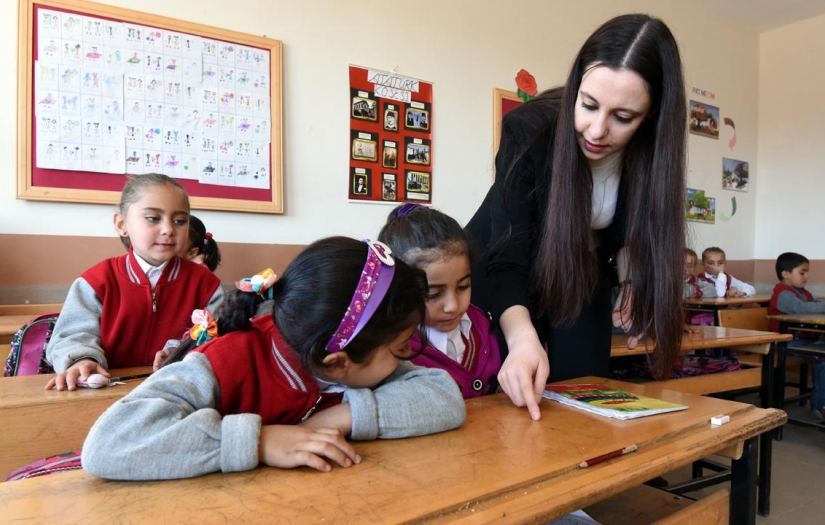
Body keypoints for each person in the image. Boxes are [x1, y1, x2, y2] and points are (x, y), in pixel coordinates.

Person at [81, 237, 466, 480]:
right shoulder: (224, 361)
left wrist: (343, 415)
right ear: (337, 362)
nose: (406, 358)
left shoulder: (350, 357)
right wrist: (260, 441)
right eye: (401, 349)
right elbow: (108, 446)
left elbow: (445, 399)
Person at [464, 14, 687, 420]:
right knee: (508, 395)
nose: (596, 130)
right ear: (575, 87)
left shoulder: (653, 157)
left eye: (623, 117)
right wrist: (522, 337)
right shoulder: (529, 131)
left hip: (579, 271)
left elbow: (630, 230)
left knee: (585, 391)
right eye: (587, 105)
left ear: (651, 116)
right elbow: (508, 257)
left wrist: (634, 276)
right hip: (501, 270)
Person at [45, 173, 225, 391]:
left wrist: (183, 352)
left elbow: (221, 342)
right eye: (153, 218)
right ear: (121, 224)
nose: (168, 229)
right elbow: (72, 335)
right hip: (104, 390)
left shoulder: (206, 285)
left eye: (180, 221)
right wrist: (81, 360)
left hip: (177, 391)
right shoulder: (97, 281)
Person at [378, 203, 501, 398]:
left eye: (463, 287)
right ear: (396, 289)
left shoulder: (483, 325)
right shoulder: (391, 350)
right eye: (433, 294)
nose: (453, 306)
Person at [768, 252, 825, 419]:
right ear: (786, 274)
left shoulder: (803, 292)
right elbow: (802, 308)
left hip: (802, 340)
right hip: (785, 342)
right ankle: (820, 404)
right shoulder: (783, 294)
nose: (806, 277)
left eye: (807, 272)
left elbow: (816, 305)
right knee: (822, 357)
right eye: (802, 272)